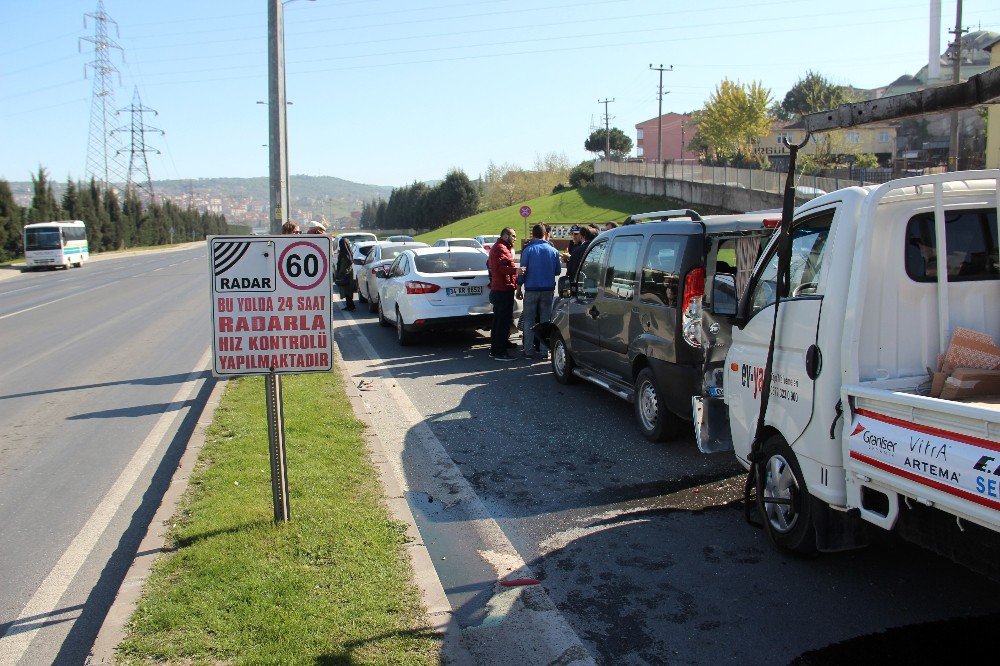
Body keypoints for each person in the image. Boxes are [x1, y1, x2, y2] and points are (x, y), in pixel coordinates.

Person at [517, 223, 561, 359]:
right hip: (548, 290)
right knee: (545, 321)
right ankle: (544, 351)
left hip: (531, 290)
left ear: (533, 235)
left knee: (529, 321)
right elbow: (558, 271)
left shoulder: (528, 250)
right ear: (545, 234)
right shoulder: (553, 251)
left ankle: (528, 350)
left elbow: (522, 272)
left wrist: (519, 287)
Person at [487, 227, 518, 361]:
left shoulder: (502, 247)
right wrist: (515, 271)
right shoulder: (500, 248)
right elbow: (500, 268)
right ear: (505, 236)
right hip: (502, 290)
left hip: (502, 288)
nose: (515, 239)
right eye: (513, 236)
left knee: (500, 321)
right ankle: (499, 352)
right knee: (502, 322)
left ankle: (498, 347)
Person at [335, 236, 356, 311]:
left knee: (347, 291)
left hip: (345, 274)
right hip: (349, 274)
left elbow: (343, 266)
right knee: (348, 292)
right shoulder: (348, 253)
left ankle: (351, 306)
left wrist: (338, 274)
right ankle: (349, 306)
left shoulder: (344, 255)